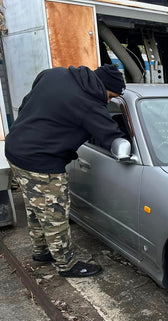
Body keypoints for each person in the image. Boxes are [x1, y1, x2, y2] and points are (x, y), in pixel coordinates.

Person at [5, 64, 126, 278]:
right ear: (103, 87)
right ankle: (66, 265)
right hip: (40, 160)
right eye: (110, 96)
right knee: (54, 213)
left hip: (15, 148)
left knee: (36, 206)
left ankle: (41, 251)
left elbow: (27, 103)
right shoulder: (89, 103)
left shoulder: (55, 74)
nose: (108, 102)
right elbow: (111, 135)